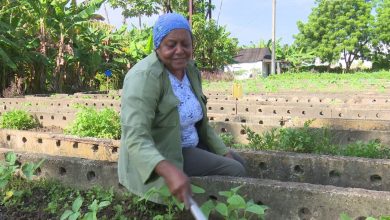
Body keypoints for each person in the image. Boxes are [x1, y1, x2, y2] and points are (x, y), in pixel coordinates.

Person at [118, 12, 246, 206]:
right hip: (165, 150)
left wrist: (222, 151)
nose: (180, 50)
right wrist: (168, 170)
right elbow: (135, 137)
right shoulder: (144, 77)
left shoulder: (190, 71)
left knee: (238, 161)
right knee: (235, 171)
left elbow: (201, 124)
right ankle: (221, 211)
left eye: (185, 44)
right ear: (158, 45)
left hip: (190, 142)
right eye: (171, 45)